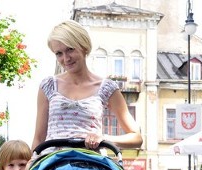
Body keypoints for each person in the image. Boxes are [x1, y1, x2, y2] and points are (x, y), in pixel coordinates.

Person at [31, 20, 143, 152]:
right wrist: (29, 169)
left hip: (91, 164)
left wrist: (104, 138)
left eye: (70, 49)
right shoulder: (48, 86)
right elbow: (38, 138)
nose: (66, 58)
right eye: (59, 53)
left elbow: (137, 138)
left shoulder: (107, 88)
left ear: (84, 47)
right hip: (53, 164)